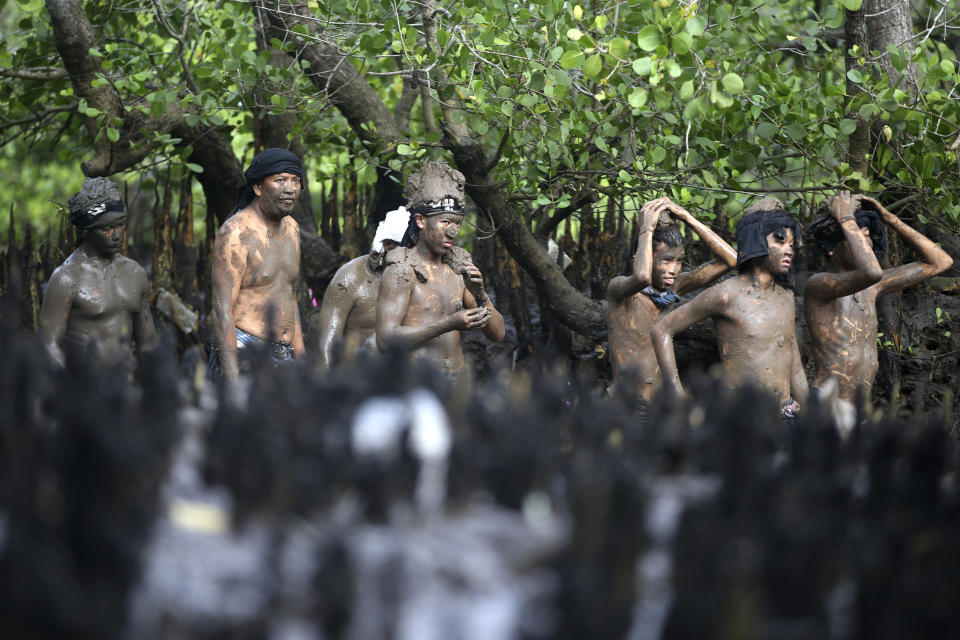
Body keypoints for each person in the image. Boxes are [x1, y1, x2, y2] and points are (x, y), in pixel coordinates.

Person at [652, 197, 808, 418]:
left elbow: (795, 367)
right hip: (742, 419)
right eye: (780, 241)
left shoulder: (786, 297)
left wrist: (813, 418)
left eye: (791, 245)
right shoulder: (726, 294)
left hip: (786, 413)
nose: (789, 250)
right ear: (757, 241)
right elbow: (661, 330)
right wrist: (677, 394)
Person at [804, 191, 953, 409]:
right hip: (827, 405)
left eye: (867, 236)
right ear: (832, 250)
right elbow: (872, 271)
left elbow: (940, 262)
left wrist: (888, 217)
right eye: (858, 236)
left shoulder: (872, 287)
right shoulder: (818, 286)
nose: (867, 243)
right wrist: (846, 218)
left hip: (859, 408)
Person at [375, 162, 505, 376]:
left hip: (455, 382)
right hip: (413, 384)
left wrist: (479, 292)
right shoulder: (402, 271)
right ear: (420, 221)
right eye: (445, 222)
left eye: (458, 223)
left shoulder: (458, 268)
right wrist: (449, 323)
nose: (453, 232)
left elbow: (498, 334)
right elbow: (385, 340)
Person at [607, 196, 737, 400]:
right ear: (642, 258)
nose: (674, 270)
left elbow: (730, 260)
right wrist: (646, 230)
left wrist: (687, 217)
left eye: (679, 261)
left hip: (661, 401)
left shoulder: (675, 287)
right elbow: (642, 278)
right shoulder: (620, 291)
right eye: (666, 261)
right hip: (627, 401)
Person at [40, 177, 157, 370]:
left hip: (125, 388)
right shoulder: (66, 278)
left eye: (120, 224)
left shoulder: (135, 273)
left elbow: (148, 344)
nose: (117, 235)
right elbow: (48, 346)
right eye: (106, 228)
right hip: (85, 388)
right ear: (87, 230)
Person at [210, 148, 306, 380]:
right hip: (246, 348)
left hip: (284, 352)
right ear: (258, 187)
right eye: (280, 180)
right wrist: (233, 381)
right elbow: (222, 311)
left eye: (296, 181)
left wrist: (302, 361)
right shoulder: (236, 233)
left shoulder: (292, 228)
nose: (290, 189)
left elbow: (289, 296)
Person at [316, 206, 409, 370]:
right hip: (356, 377)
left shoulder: (421, 275)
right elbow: (326, 347)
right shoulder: (350, 277)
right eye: (388, 243)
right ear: (385, 243)